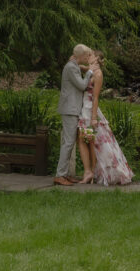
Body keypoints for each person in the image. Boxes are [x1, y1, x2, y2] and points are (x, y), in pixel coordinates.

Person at [78, 50, 133, 186]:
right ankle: (91, 172)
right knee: (88, 141)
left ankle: (95, 172)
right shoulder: (90, 70)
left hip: (90, 109)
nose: (87, 56)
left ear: (96, 58)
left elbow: (96, 97)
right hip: (84, 108)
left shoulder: (98, 74)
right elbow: (82, 67)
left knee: (92, 141)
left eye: (90, 55)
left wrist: (94, 117)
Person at [54, 44, 93, 187]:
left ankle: (64, 174)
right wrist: (89, 73)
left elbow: (76, 69)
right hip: (70, 109)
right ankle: (60, 175)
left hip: (72, 108)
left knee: (69, 142)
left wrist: (83, 68)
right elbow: (82, 85)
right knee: (68, 142)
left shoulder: (73, 65)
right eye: (86, 55)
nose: (87, 58)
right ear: (80, 56)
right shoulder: (71, 67)